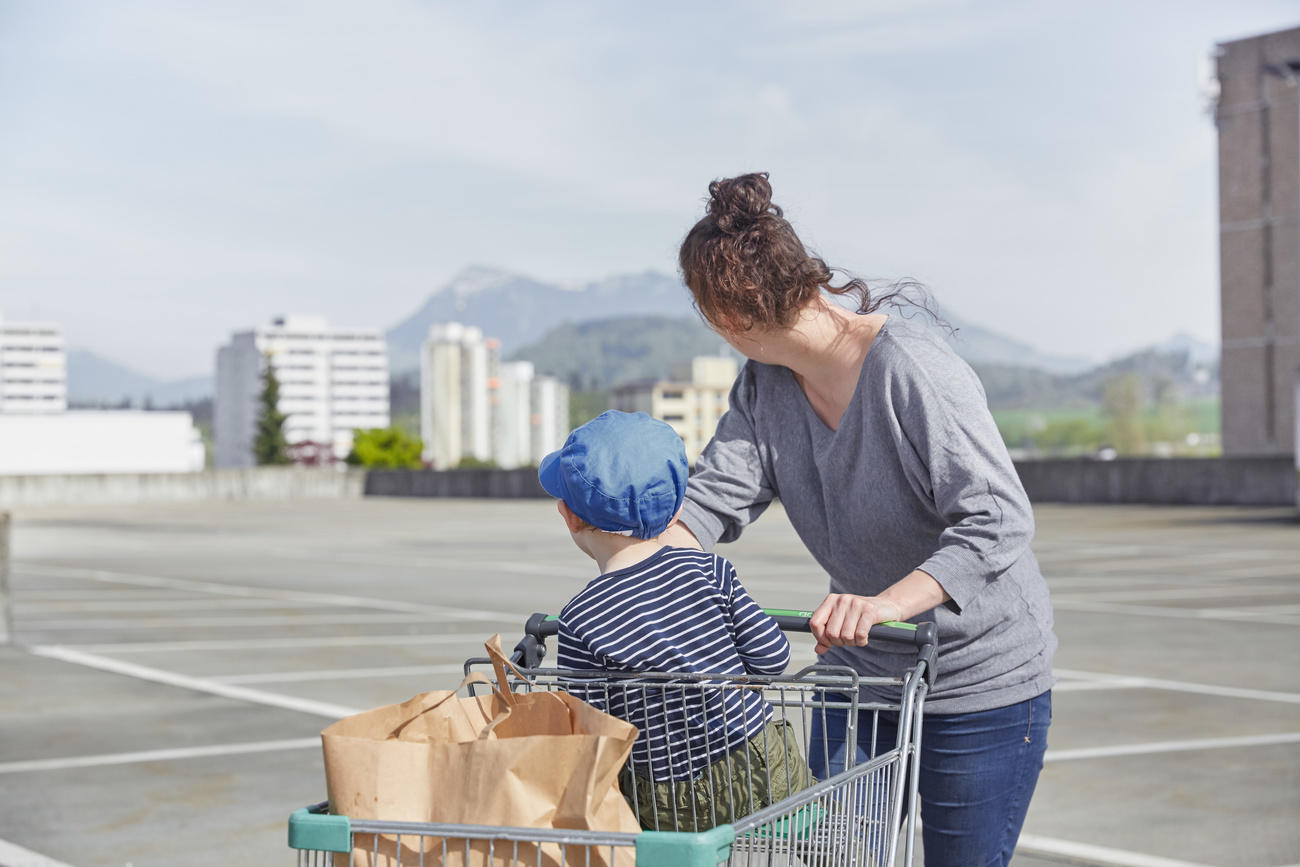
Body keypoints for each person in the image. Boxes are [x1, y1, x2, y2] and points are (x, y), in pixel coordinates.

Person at [659, 172, 1057, 866]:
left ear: (728, 317)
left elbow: (997, 517)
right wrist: (640, 569)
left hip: (980, 682)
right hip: (863, 679)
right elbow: (714, 497)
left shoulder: (910, 370)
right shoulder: (766, 383)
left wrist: (884, 603)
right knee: (836, 857)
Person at [538, 410, 815, 832]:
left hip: (667, 801)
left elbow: (592, 729)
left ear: (569, 516)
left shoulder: (580, 618)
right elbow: (773, 659)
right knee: (803, 819)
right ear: (673, 514)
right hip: (761, 770)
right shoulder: (709, 571)